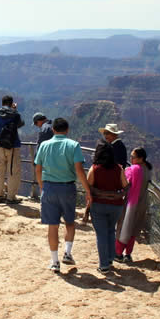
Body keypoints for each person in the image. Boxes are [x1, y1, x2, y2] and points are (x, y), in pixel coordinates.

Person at [34, 117, 92, 273]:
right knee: (69, 222)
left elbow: (38, 169)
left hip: (49, 188)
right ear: (67, 130)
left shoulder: (44, 145)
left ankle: (55, 262)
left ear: (53, 129)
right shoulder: (73, 145)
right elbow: (79, 170)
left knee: (52, 226)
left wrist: (41, 186)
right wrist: (87, 190)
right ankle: (67, 253)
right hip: (67, 188)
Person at [86, 142, 128, 273]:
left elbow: (88, 187)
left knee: (101, 234)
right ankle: (110, 258)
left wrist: (99, 194)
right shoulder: (119, 168)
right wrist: (115, 194)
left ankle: (104, 265)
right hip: (116, 206)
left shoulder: (95, 168)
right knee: (111, 230)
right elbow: (125, 186)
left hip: (98, 205)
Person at [116, 147, 152, 263]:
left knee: (123, 225)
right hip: (142, 203)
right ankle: (128, 254)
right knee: (134, 228)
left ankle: (118, 253)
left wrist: (122, 172)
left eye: (133, 157)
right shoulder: (147, 169)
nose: (130, 159)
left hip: (130, 203)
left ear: (140, 158)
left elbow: (125, 185)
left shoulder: (133, 169)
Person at [0, 95, 24, 204]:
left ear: (2, 103)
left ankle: (0, 195)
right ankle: (11, 197)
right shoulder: (15, 114)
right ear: (11, 103)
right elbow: (20, 124)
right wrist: (14, 110)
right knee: (12, 172)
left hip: (0, 145)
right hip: (13, 146)